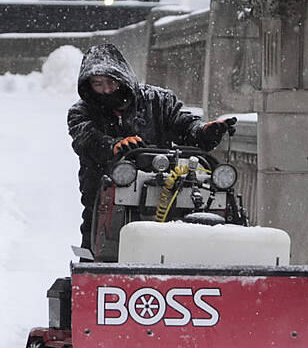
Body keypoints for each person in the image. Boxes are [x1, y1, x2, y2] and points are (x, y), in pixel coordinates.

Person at [67, 43, 237, 249]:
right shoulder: (81, 111)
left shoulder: (158, 100)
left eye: (111, 82)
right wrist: (114, 146)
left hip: (163, 189)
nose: (106, 90)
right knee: (99, 245)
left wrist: (204, 132)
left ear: (123, 77)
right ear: (89, 86)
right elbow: (86, 138)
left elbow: (184, 125)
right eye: (98, 84)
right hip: (102, 197)